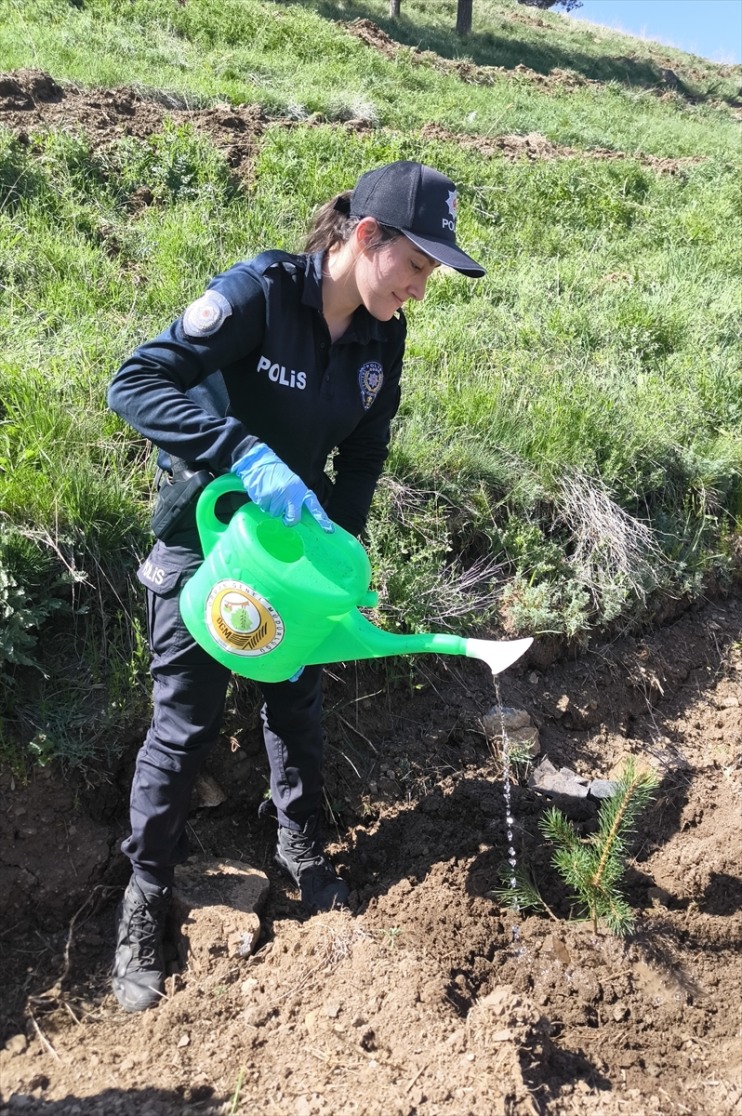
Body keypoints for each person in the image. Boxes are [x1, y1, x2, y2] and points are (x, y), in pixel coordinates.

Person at [107, 159, 485, 1012]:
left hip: (294, 566)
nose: (422, 290)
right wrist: (237, 450)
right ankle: (144, 899)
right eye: (417, 266)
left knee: (297, 701)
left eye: (432, 274)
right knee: (184, 724)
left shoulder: (380, 336)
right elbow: (135, 382)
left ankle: (303, 851)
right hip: (204, 545)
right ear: (364, 237)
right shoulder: (259, 297)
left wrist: (342, 562)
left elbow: (365, 453)